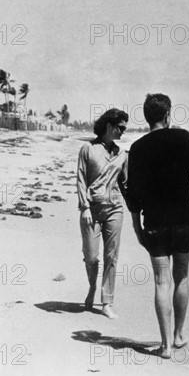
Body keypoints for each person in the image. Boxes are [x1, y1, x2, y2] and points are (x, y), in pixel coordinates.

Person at [127, 93, 189, 359]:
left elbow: (134, 194)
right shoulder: (183, 137)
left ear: (147, 116)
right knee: (181, 276)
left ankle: (164, 346)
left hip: (154, 223)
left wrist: (137, 227)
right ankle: (179, 335)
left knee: (162, 281)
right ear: (168, 114)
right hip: (183, 220)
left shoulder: (137, 148)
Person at [77, 108, 129, 319]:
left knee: (112, 256)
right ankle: (91, 287)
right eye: (120, 127)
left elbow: (125, 185)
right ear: (109, 126)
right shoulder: (87, 149)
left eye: (125, 128)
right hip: (92, 209)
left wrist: (138, 208)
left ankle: (107, 301)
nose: (123, 132)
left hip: (115, 208)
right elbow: (81, 179)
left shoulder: (122, 154)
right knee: (91, 256)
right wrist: (85, 207)